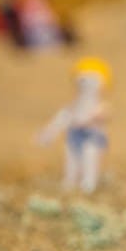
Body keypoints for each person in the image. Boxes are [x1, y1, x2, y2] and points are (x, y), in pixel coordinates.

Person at [38, 57, 111, 193]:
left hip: (91, 139)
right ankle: (70, 182)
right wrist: (48, 134)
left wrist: (88, 122)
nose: (86, 84)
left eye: (92, 80)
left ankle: (88, 184)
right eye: (83, 79)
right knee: (71, 160)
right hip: (73, 139)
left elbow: (102, 116)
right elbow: (63, 118)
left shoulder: (99, 106)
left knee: (89, 158)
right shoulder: (74, 106)